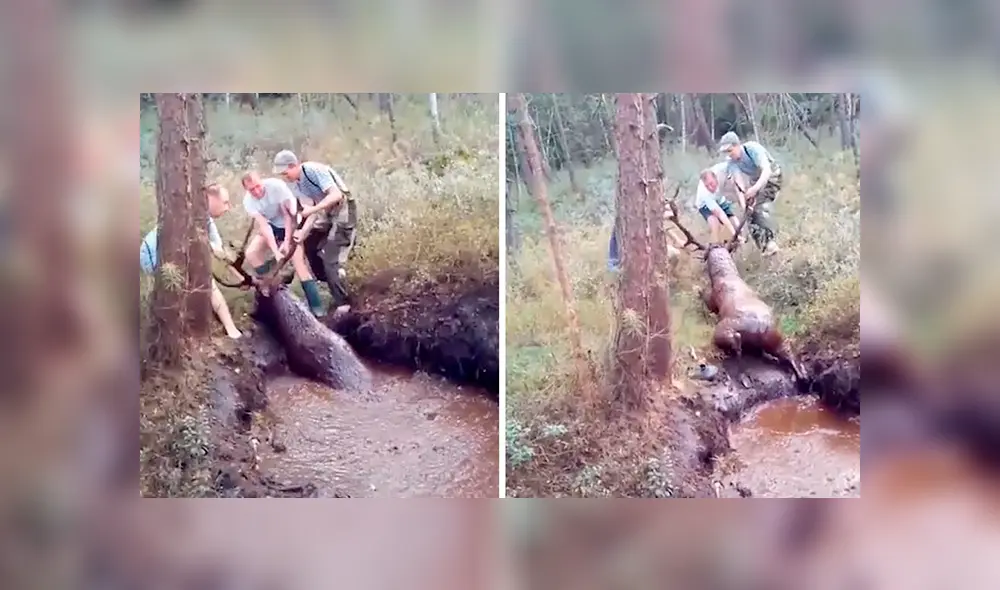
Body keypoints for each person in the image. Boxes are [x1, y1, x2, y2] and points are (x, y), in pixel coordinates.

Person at [139, 184, 242, 339]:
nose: (228, 207)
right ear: (210, 199)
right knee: (204, 280)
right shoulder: (190, 214)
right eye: (225, 202)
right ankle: (230, 329)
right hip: (152, 255)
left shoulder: (204, 218)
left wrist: (238, 276)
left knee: (195, 279)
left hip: (159, 254)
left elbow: (218, 248)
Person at [272, 150, 357, 317]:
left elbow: (336, 195)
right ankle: (337, 277)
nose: (285, 177)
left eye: (285, 173)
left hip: (343, 210)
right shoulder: (296, 184)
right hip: (325, 212)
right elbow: (310, 211)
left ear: (293, 165)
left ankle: (344, 303)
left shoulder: (312, 170)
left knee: (329, 256)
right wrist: (303, 232)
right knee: (310, 245)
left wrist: (314, 209)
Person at [241, 171, 326, 317]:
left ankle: (318, 308)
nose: (256, 191)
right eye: (251, 190)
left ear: (262, 181)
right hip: (272, 226)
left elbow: (288, 216)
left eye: (258, 186)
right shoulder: (248, 202)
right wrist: (275, 251)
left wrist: (286, 242)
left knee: (299, 265)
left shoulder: (276, 186)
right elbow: (264, 226)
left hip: (292, 224)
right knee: (252, 253)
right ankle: (274, 283)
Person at [717, 131, 782, 256]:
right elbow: (739, 185)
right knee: (750, 214)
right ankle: (763, 247)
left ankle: (770, 242)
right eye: (726, 152)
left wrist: (755, 189)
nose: (729, 154)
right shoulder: (732, 162)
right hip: (756, 181)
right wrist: (744, 206)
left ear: (737, 145)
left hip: (772, 177)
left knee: (759, 206)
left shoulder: (752, 149)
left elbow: (766, 170)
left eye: (730, 150)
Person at [695, 162, 741, 244]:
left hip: (719, 199)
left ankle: (738, 239)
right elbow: (720, 213)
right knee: (715, 224)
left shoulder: (720, 170)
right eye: (707, 186)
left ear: (716, 178)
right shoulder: (704, 193)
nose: (710, 188)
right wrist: (734, 234)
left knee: (735, 222)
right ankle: (715, 245)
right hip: (704, 205)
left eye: (711, 183)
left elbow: (731, 163)